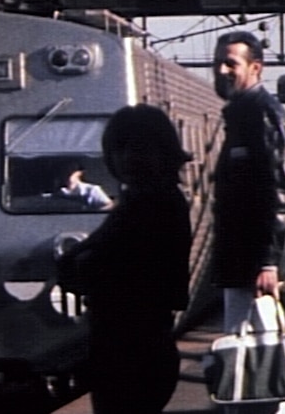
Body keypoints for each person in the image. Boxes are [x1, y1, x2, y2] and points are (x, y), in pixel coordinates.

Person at [56, 104, 192, 414]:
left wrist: (79, 263)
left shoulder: (149, 205)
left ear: (163, 151)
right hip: (139, 346)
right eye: (122, 148)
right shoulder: (155, 200)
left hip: (131, 350)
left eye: (141, 148)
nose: (130, 157)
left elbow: (87, 266)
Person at [210, 30, 285, 334]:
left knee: (253, 355)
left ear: (255, 68)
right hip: (242, 259)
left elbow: (282, 192)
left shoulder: (263, 116)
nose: (221, 71)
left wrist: (268, 261)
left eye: (230, 64)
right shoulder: (244, 114)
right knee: (246, 356)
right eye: (217, 63)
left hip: (253, 262)